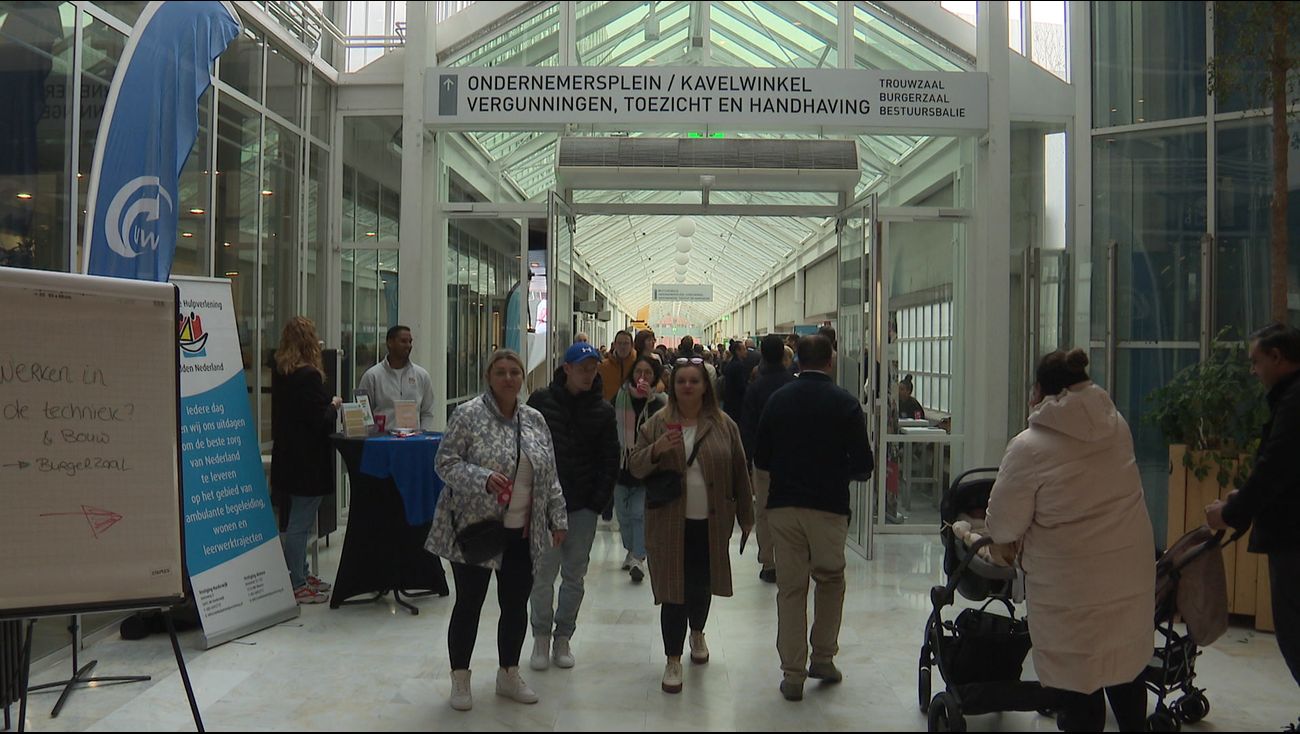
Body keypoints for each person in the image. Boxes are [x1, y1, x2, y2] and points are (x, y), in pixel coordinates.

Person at [985, 349, 1155, 733]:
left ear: (1039, 390)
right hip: (1129, 572)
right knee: (1125, 663)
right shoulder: (1118, 426)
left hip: (1072, 583)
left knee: (1079, 675)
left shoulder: (1028, 447)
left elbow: (1003, 526)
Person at [425, 350, 569, 711]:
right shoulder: (468, 415)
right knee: (469, 604)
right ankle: (460, 678)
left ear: (523, 378)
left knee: (515, 604)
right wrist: (483, 478)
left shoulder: (534, 420)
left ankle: (508, 673)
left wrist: (558, 516)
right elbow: (444, 463)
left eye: (515, 372)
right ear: (489, 378)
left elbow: (549, 473)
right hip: (477, 528)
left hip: (521, 530)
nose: (508, 378)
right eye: (501, 372)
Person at [754, 335, 873, 701]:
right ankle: (823, 657)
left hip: (784, 506)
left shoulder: (778, 400)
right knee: (830, 579)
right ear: (830, 362)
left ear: (797, 362)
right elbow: (865, 465)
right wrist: (838, 471)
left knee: (790, 589)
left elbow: (762, 457)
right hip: (828, 507)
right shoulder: (845, 403)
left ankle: (792, 674)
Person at [630, 359, 754, 695]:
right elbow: (635, 466)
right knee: (673, 591)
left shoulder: (724, 424)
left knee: (701, 584)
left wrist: (746, 515)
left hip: (710, 522)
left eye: (694, 381)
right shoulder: (657, 423)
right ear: (673, 387)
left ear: (705, 387)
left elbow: (740, 471)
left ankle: (697, 631)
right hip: (668, 523)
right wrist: (656, 450)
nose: (687, 386)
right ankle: (673, 657)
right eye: (681, 381)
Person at [1207, 323, 1300, 699]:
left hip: (1294, 537)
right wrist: (1242, 497)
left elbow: (1277, 465)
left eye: (1256, 361)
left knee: (1294, 629)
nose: (1253, 370)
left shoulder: (1294, 401)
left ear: (1277, 357)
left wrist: (1232, 512)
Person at [526, 342, 619, 671]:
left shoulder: (603, 411)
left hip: (582, 507)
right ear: (566, 369)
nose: (588, 373)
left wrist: (597, 502)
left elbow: (611, 459)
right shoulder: (540, 403)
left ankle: (563, 635)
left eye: (592, 368)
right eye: (582, 367)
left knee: (574, 576)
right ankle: (540, 635)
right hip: (544, 508)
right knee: (542, 576)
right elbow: (525, 449)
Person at [271, 317, 342, 605]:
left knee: (296, 519)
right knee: (301, 522)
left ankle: (301, 571)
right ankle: (297, 581)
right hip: (308, 461)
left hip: (288, 456)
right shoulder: (309, 376)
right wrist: (334, 405)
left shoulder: (282, 372)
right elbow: (319, 419)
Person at [739, 334, 796, 584]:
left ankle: (768, 561)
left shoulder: (756, 387)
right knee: (789, 509)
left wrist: (748, 456)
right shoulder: (793, 384)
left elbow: (748, 426)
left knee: (763, 510)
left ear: (762, 353)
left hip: (763, 461)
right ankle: (788, 558)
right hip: (791, 459)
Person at [612, 355, 668, 583]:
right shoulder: (620, 397)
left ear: (654, 378)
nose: (642, 377)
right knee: (623, 515)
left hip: (646, 466)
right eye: (638, 372)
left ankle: (638, 557)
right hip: (621, 465)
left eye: (648, 373)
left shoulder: (659, 403)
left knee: (638, 514)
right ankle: (631, 548)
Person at [356, 325, 436, 430]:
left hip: (413, 441)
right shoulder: (372, 376)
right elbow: (363, 413)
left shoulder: (422, 375)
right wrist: (373, 438)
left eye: (410, 342)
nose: (408, 345)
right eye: (403, 341)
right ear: (390, 343)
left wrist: (422, 435)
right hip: (382, 442)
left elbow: (427, 412)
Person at [599, 330, 637, 402]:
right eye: (619, 343)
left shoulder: (638, 365)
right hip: (608, 409)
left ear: (632, 345)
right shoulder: (602, 366)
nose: (622, 347)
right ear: (615, 345)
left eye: (626, 343)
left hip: (633, 409)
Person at [721, 340, 750, 425]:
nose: (746, 352)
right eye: (744, 349)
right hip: (736, 404)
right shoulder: (738, 366)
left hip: (730, 402)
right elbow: (741, 386)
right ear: (738, 351)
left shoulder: (731, 363)